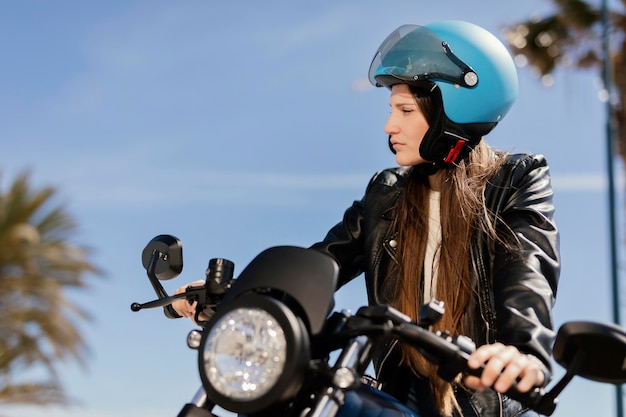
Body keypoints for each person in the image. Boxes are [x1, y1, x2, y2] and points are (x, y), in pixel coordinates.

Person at [173, 20, 559, 417]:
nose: (390, 126)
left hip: (480, 395)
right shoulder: (387, 190)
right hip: (399, 390)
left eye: (406, 110)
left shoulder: (515, 179)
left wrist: (521, 352)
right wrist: (244, 294)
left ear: (459, 107)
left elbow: (528, 269)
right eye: (392, 109)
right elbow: (325, 261)